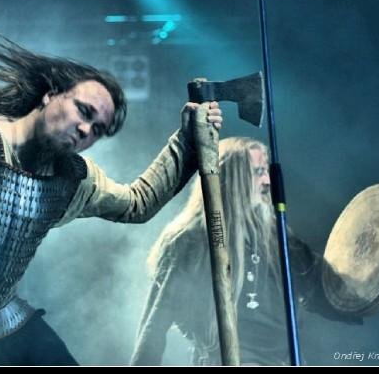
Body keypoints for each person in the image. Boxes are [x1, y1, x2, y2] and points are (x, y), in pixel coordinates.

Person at [0, 32, 223, 366]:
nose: (85, 130)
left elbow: (136, 203)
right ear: (51, 95)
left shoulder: (70, 178)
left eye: (97, 130)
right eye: (84, 112)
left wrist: (187, 140)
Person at [130, 137, 360, 366]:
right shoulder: (191, 241)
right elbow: (154, 327)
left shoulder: (279, 238)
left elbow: (323, 291)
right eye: (258, 172)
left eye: (266, 171)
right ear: (232, 177)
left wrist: (366, 284)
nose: (268, 181)